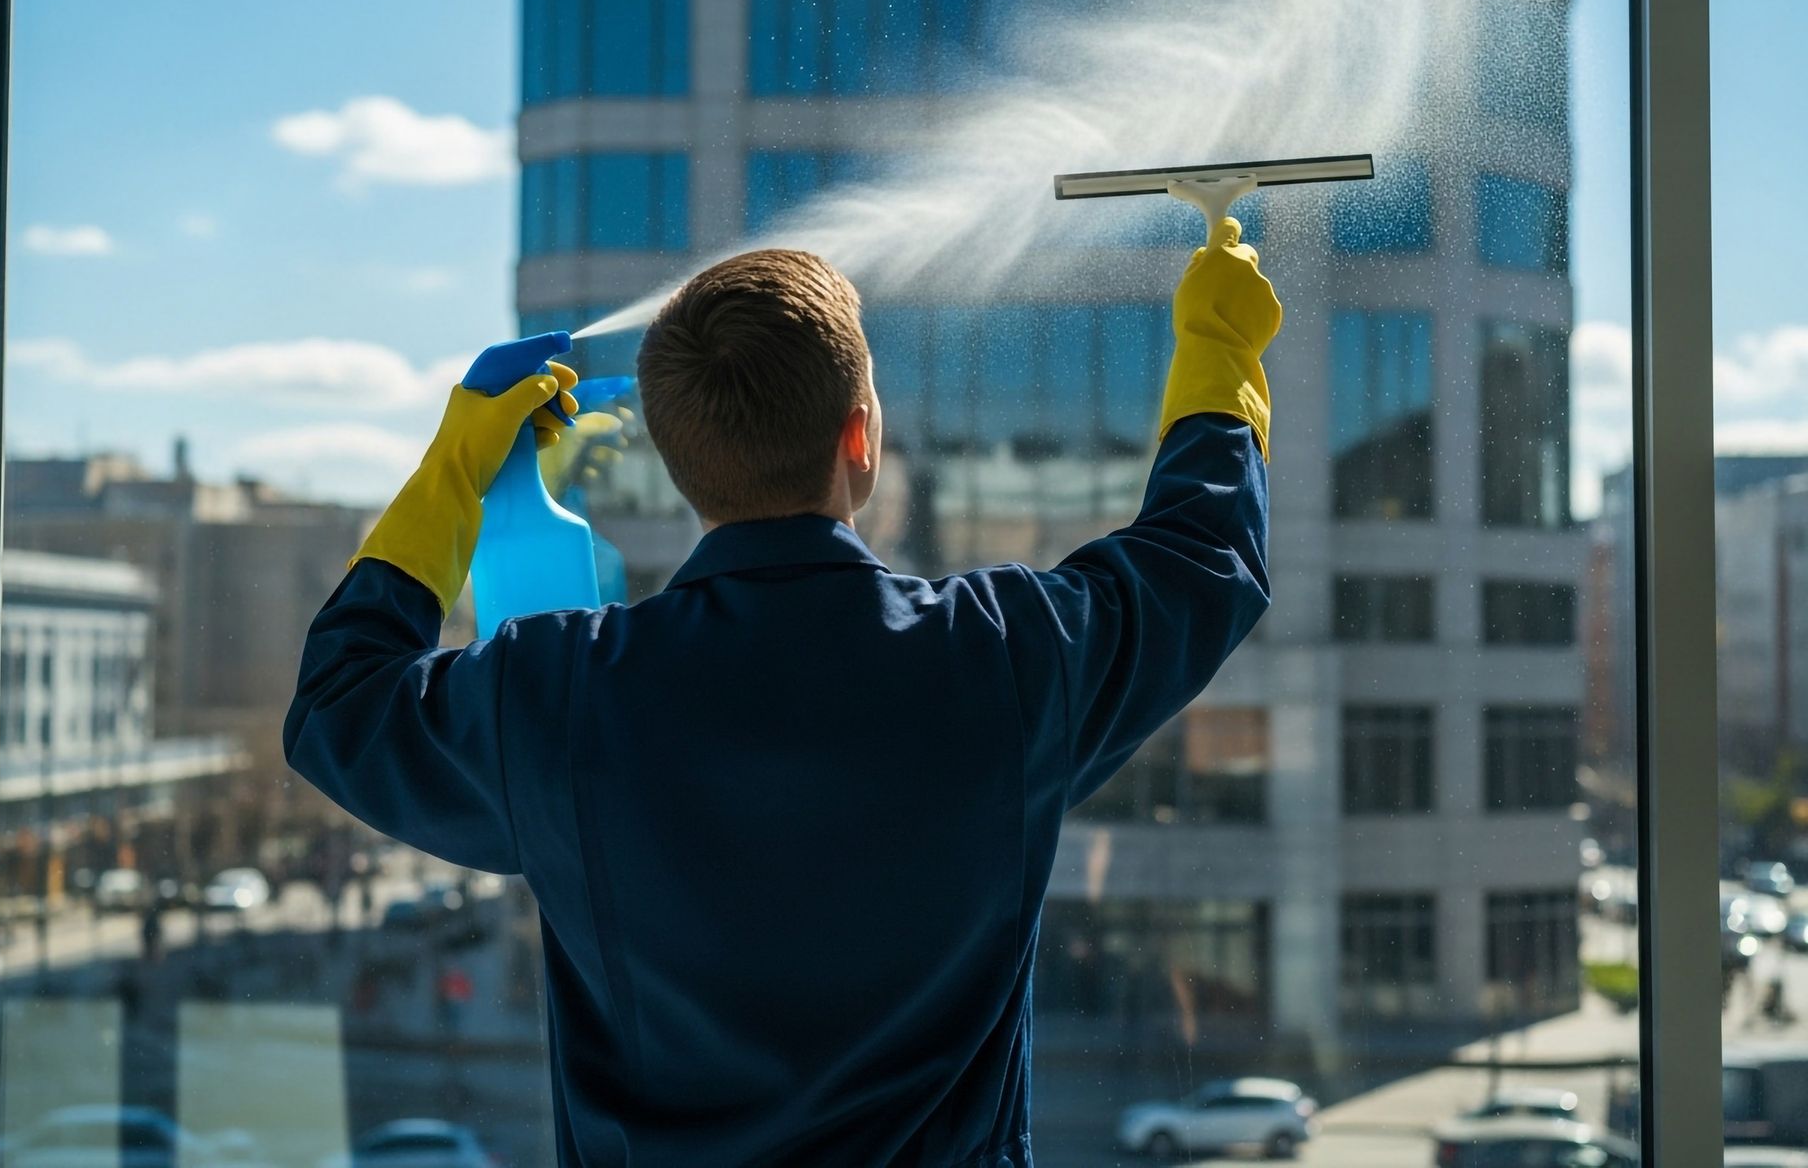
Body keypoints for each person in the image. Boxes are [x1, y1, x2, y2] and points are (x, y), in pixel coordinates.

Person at [285, 224, 1279, 1167]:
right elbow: (1201, 559)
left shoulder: (563, 693)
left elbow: (338, 705)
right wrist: (1217, 350)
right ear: (859, 438)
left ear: (678, 463)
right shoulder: (998, 657)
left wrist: (458, 470)